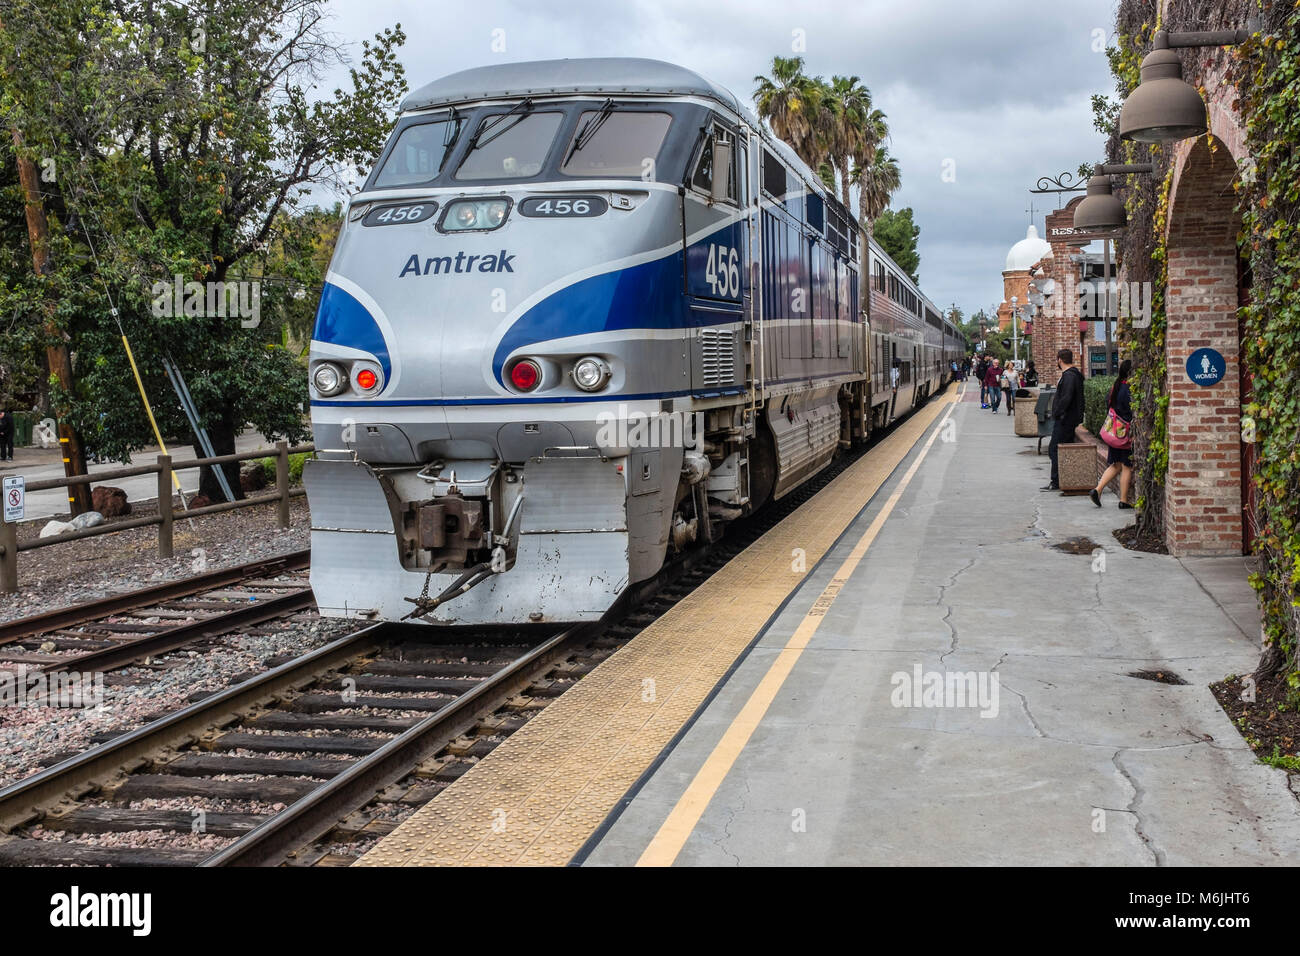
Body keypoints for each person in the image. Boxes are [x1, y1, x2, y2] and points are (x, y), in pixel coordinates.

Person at [1091, 359, 1135, 509]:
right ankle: (1123, 500)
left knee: (1115, 465)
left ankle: (1098, 489)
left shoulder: (1115, 386)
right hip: (1125, 434)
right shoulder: (1128, 389)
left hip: (1114, 432)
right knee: (1127, 466)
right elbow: (1131, 411)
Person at [1044, 349, 1085, 491]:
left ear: (1060, 360)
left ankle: (1056, 480)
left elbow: (1066, 398)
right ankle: (1062, 478)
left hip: (1065, 419)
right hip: (1068, 418)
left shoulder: (1069, 376)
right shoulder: (1073, 375)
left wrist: (1057, 412)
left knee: (1054, 449)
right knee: (1060, 449)